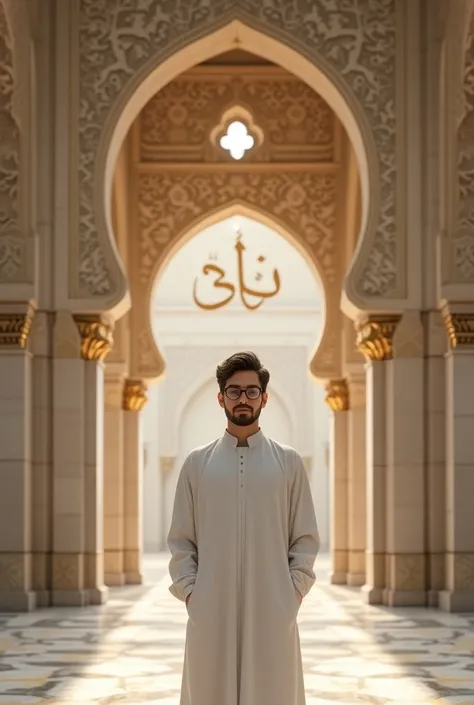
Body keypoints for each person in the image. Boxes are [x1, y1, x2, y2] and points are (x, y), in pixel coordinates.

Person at [167, 351, 320, 705]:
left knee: (273, 691)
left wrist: (292, 592)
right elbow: (181, 540)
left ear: (264, 398)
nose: (243, 399)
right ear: (221, 397)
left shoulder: (288, 462)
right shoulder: (196, 464)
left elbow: (305, 538)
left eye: (252, 391)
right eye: (234, 391)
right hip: (210, 606)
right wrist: (193, 594)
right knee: (208, 691)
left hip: (273, 605)